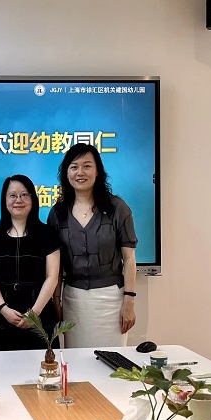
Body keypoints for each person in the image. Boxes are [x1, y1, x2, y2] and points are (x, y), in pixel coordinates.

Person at [47, 143, 138, 348]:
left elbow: (129, 258)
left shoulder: (117, 208)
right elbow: (56, 265)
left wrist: (129, 301)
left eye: (87, 166)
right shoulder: (58, 213)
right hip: (73, 300)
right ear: (66, 173)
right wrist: (56, 300)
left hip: (111, 300)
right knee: (76, 360)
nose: (80, 172)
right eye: (74, 167)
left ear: (98, 171)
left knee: (112, 360)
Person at [0, 175, 61, 351]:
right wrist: (3, 308)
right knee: (3, 367)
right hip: (4, 318)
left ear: (33, 199)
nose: (18, 200)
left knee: (43, 366)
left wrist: (34, 313)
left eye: (24, 195)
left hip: (41, 317)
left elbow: (52, 276)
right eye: (12, 195)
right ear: (5, 200)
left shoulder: (48, 234)